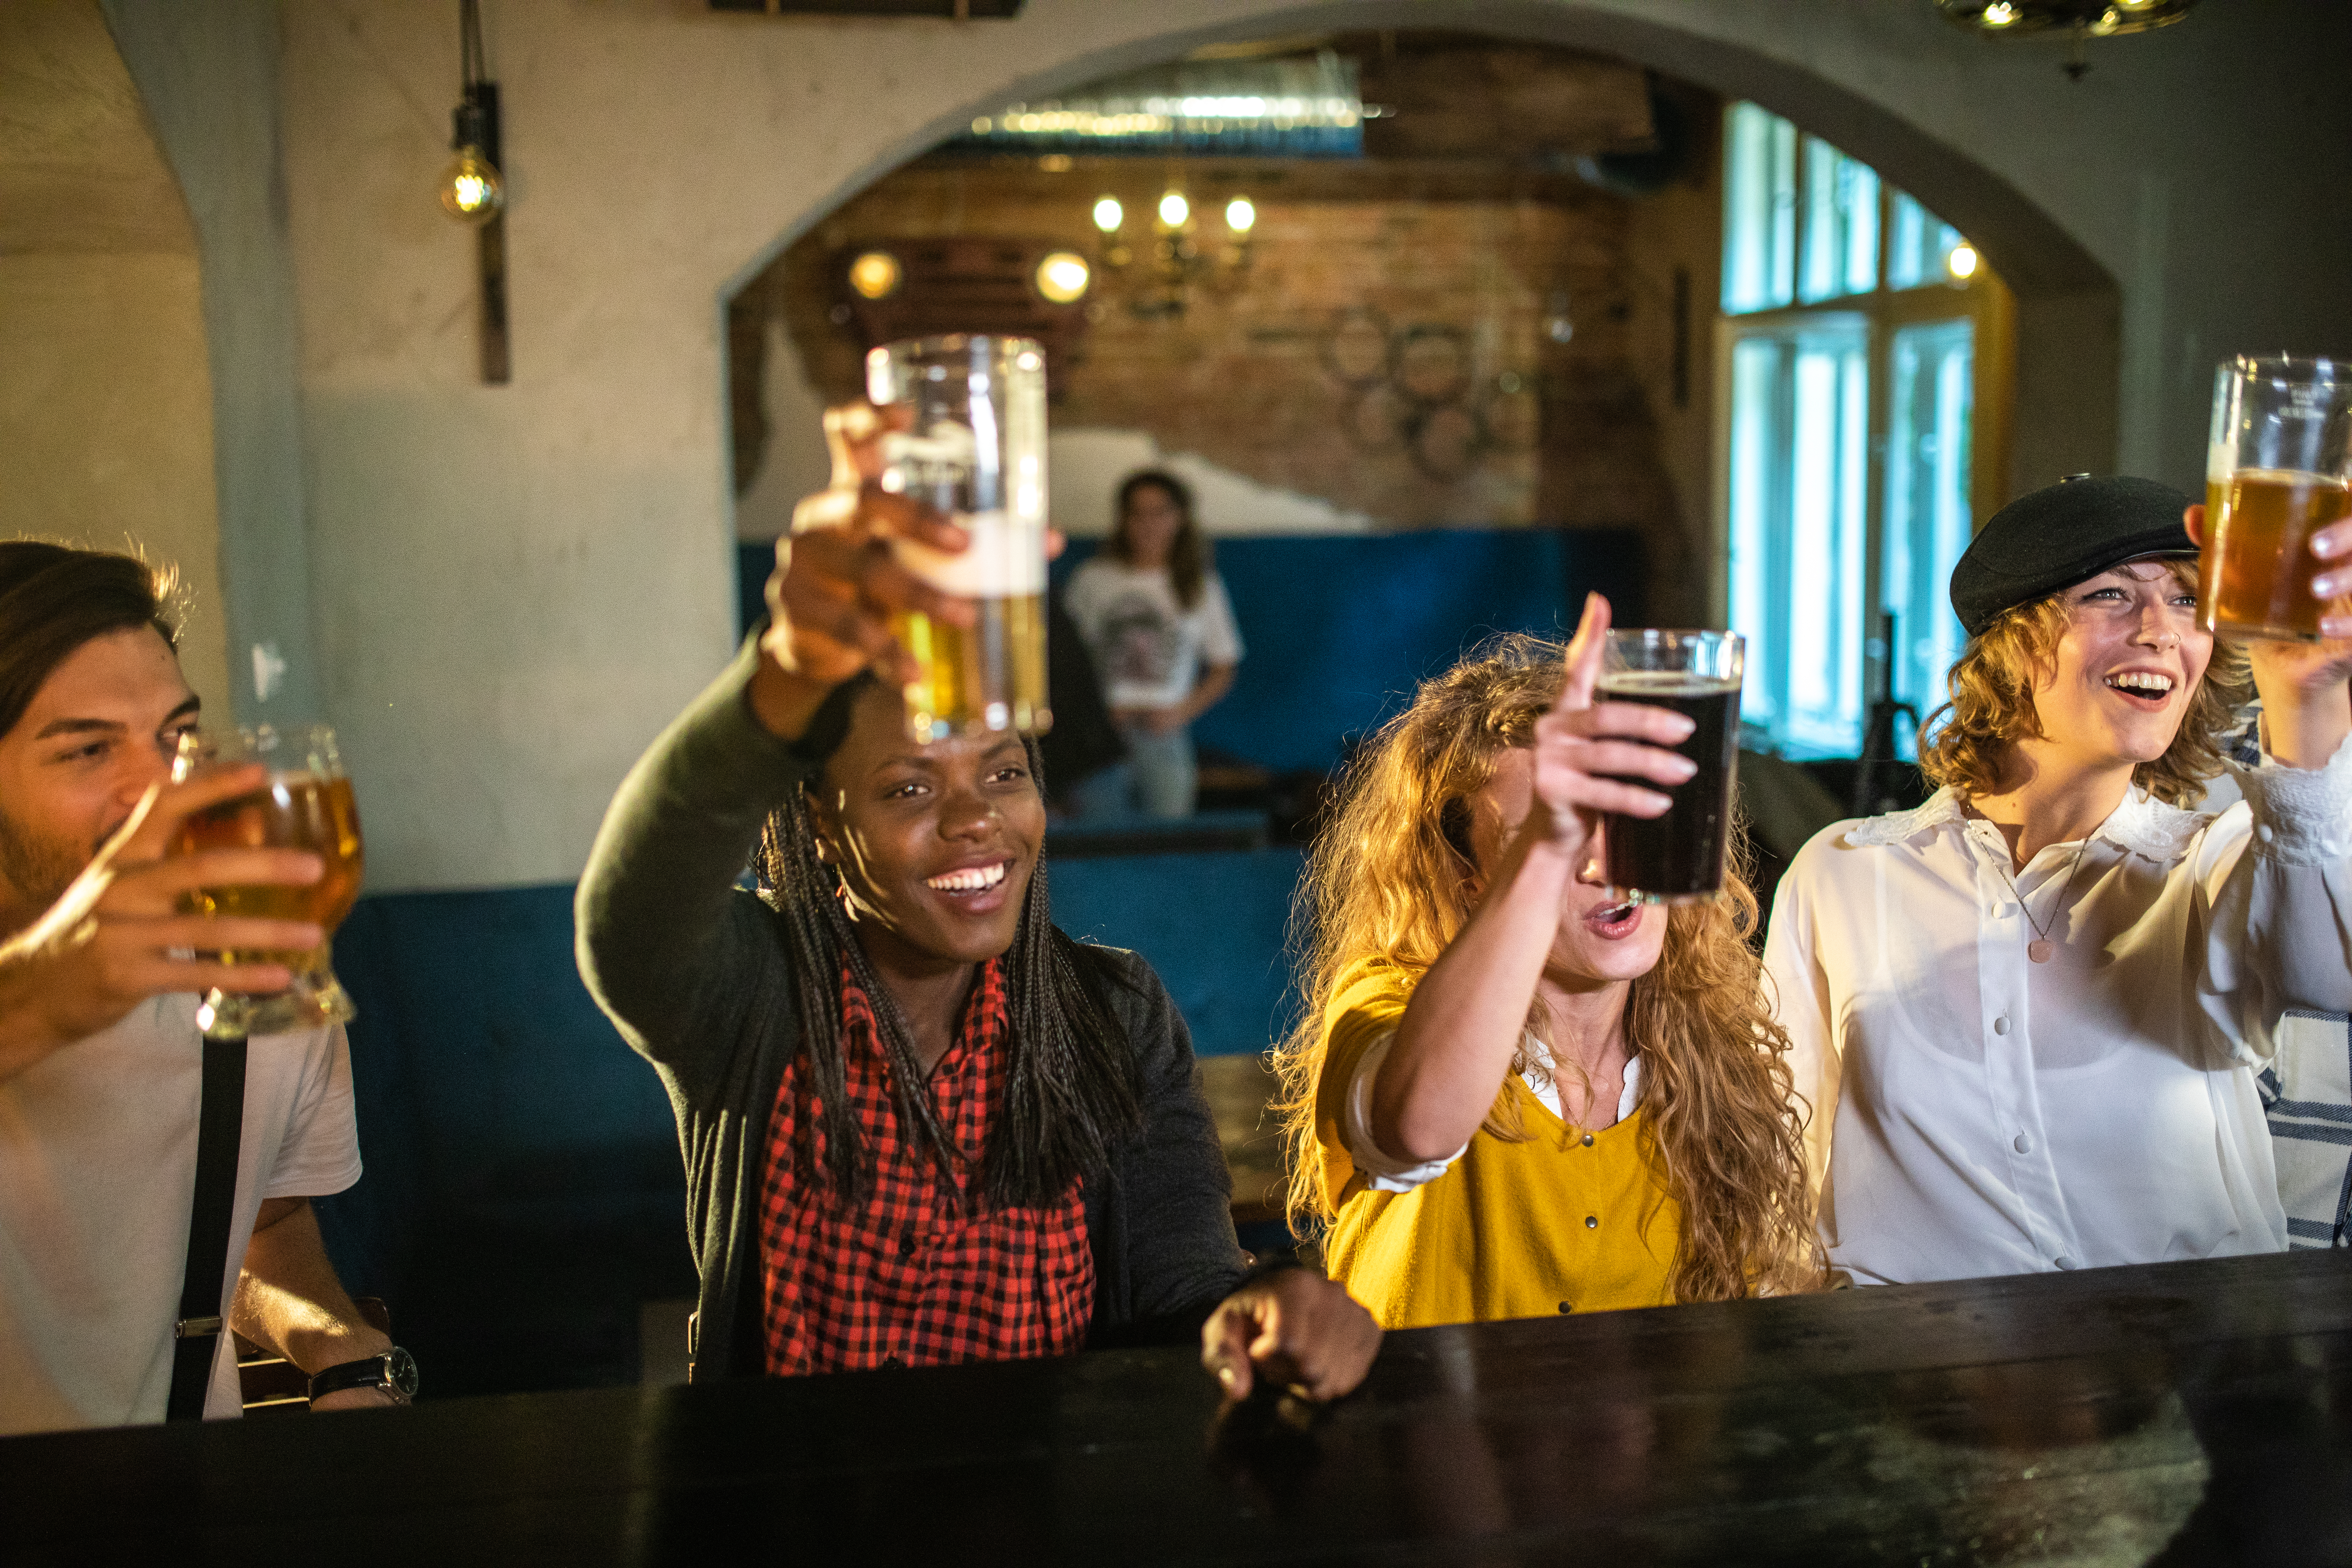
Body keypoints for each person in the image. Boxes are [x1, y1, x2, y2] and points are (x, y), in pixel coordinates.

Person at [576, 405, 1379, 1400]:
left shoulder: (1115, 1018)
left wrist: (1258, 1313)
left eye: (1003, 775)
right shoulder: (756, 998)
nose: (976, 821)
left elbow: (1184, 1283)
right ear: (823, 829)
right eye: (909, 788)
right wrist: (787, 669)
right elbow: (630, 918)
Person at [1764, 475, 2352, 1286]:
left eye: (2187, 601)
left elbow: (2319, 975)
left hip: (2177, 1378)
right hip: (1911, 1379)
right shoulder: (1843, 875)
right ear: (2010, 646)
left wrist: (2304, 714)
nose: (2158, 631)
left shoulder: (2211, 861)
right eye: (2110, 594)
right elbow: (1775, 1162)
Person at [1274, 606, 1821, 1329]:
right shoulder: (1388, 996)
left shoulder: (1705, 1043)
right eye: (1548, 834)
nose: (1602, 862)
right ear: (1469, 879)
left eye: (1617, 815)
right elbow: (1417, 1130)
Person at [0, 541, 404, 1436]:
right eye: (89, 749)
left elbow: (255, 1225)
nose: (163, 793)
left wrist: (335, 1341)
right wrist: (47, 995)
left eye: (177, 739)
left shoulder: (257, 983)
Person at [1062, 471, 1243, 820]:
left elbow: (1224, 667)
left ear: (1179, 518)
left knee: (1167, 842)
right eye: (1137, 513)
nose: (1148, 524)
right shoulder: (1093, 579)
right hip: (1100, 737)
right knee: (1098, 843)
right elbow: (1066, 660)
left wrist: (1180, 712)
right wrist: (1094, 711)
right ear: (1123, 519)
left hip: (1166, 732)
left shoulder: (1198, 583)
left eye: (1159, 512)